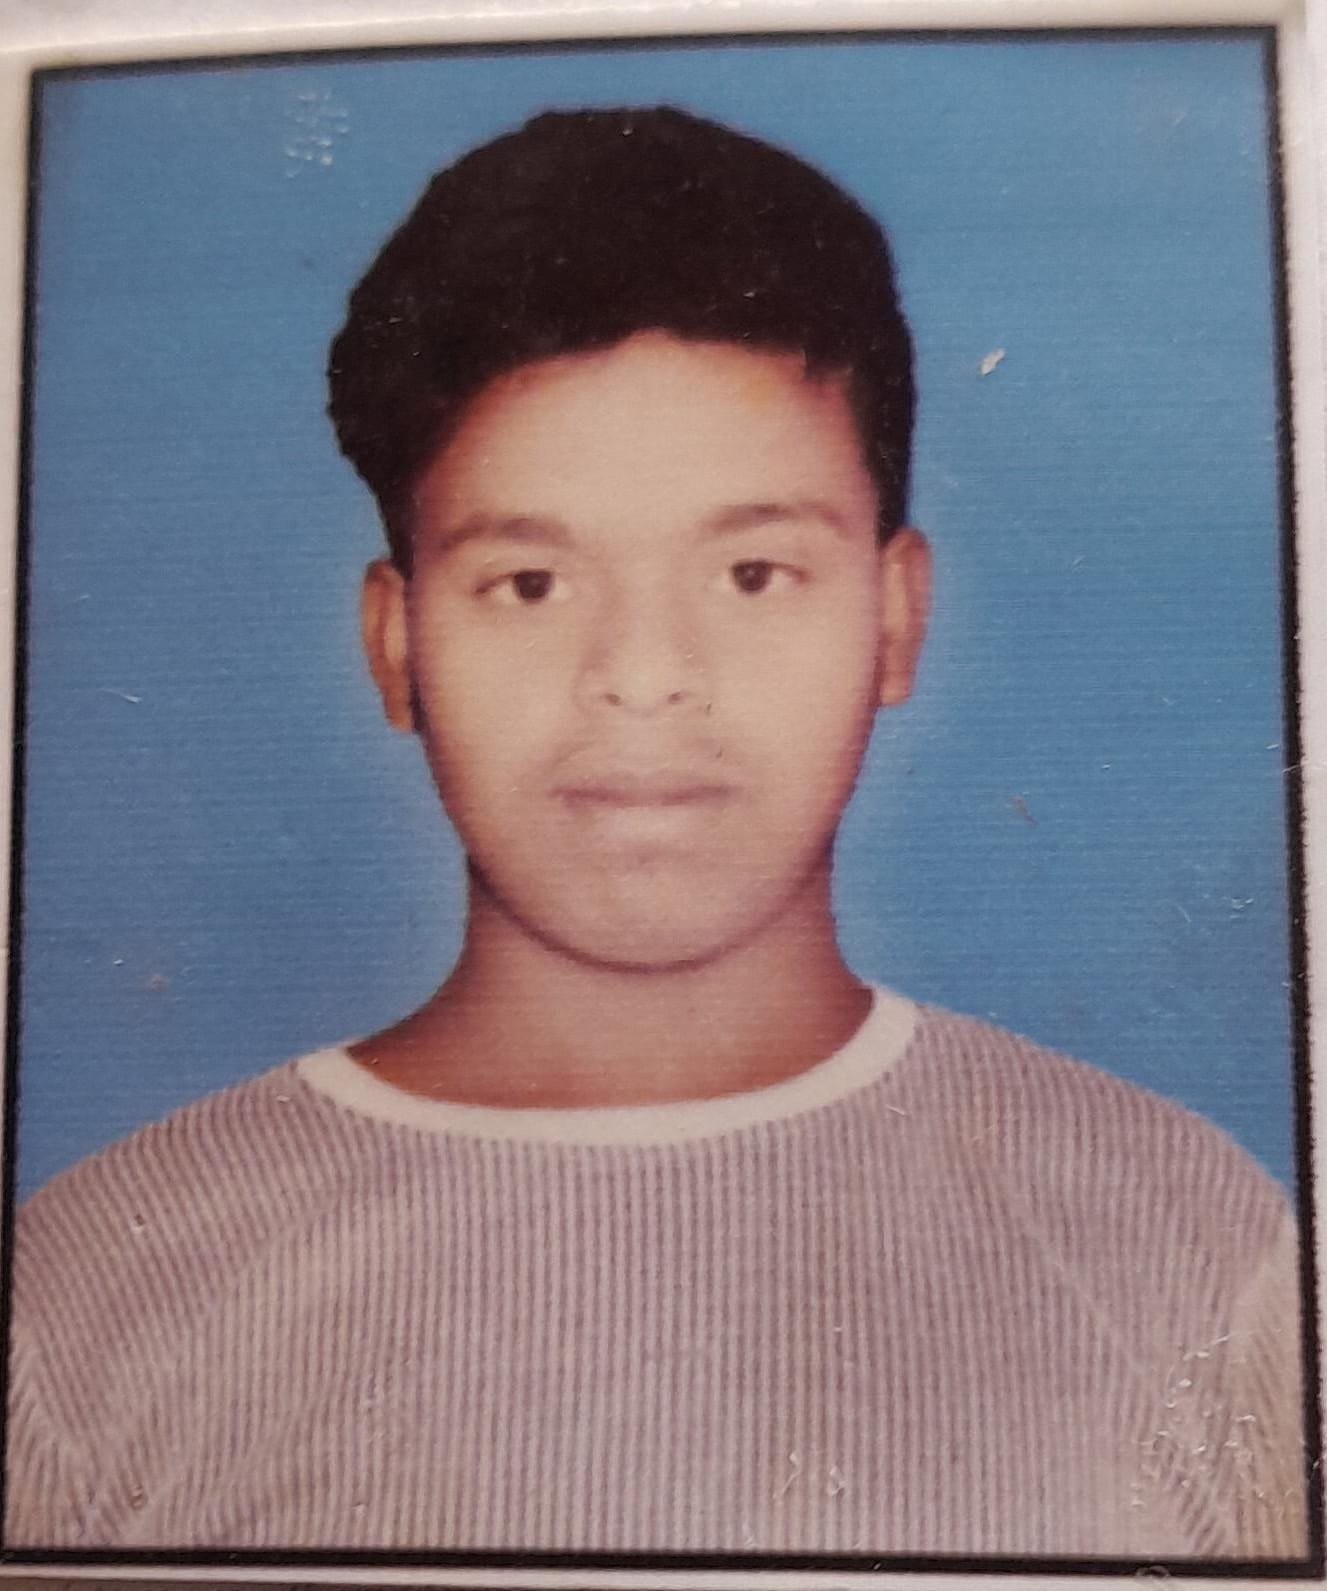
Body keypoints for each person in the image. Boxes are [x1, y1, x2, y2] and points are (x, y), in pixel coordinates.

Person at [5, 106, 1308, 1559]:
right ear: (395, 643)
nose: (642, 676)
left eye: (752, 574)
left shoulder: (1188, 1245)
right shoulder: (94, 1293)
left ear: (894, 617)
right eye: (530, 584)